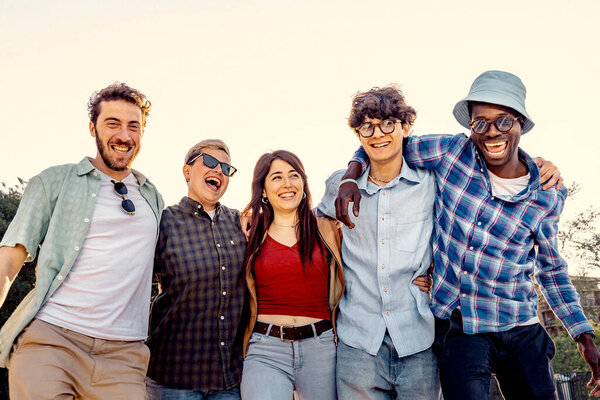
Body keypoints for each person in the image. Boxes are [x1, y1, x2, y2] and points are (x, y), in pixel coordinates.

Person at [336, 71, 600, 399]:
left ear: (520, 123)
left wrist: (584, 337)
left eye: (503, 121)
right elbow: (382, 144)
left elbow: (552, 271)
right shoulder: (451, 152)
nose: (492, 132)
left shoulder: (546, 194)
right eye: (480, 123)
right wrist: (350, 175)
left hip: (519, 325)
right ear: (470, 126)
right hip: (462, 327)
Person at [0, 82, 163, 399]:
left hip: (125, 356)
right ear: (93, 127)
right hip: (52, 341)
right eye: (112, 123)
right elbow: (9, 259)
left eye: (134, 126)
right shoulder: (54, 181)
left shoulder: (151, 195)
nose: (124, 136)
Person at [317, 87, 442, 399]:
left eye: (388, 124)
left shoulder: (431, 184)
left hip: (419, 338)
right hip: (358, 340)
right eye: (367, 127)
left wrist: (441, 273)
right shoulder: (338, 186)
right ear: (358, 135)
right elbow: (301, 223)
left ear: (406, 127)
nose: (378, 134)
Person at [146, 139, 247, 399]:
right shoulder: (164, 222)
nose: (218, 171)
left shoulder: (241, 222)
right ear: (187, 171)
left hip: (230, 379)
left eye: (226, 167)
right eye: (210, 162)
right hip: (174, 378)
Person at [240, 150, 344, 400]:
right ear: (263, 190)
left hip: (321, 347)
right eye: (276, 177)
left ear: (303, 184)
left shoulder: (328, 229)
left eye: (293, 175)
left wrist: (422, 276)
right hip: (265, 349)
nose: (287, 184)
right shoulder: (248, 232)